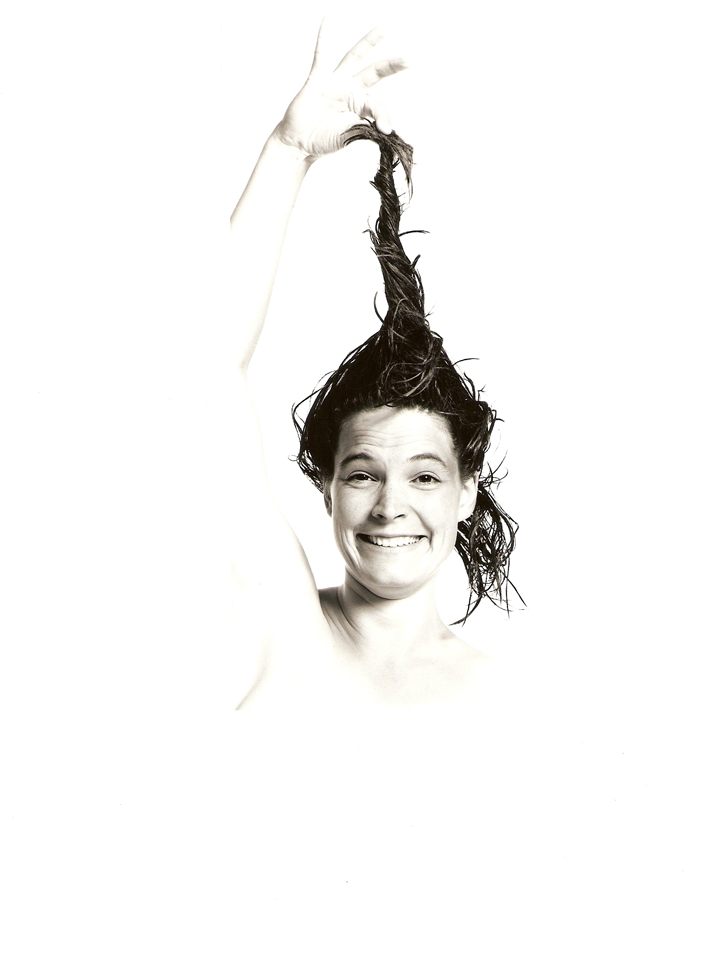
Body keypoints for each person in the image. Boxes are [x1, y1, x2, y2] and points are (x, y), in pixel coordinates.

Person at [230, 21, 517, 710]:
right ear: (326, 488)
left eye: (425, 475)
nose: (390, 506)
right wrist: (288, 150)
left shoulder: (511, 696)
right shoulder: (282, 631)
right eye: (361, 474)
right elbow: (195, 366)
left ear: (467, 491)